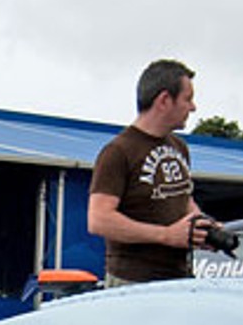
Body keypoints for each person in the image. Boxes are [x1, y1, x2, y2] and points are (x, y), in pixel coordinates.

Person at [87, 59, 222, 285]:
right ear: (164, 100)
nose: (193, 107)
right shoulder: (118, 152)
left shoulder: (179, 148)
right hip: (133, 282)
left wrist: (204, 227)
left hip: (179, 279)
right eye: (187, 99)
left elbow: (183, 199)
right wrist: (166, 235)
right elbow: (99, 219)